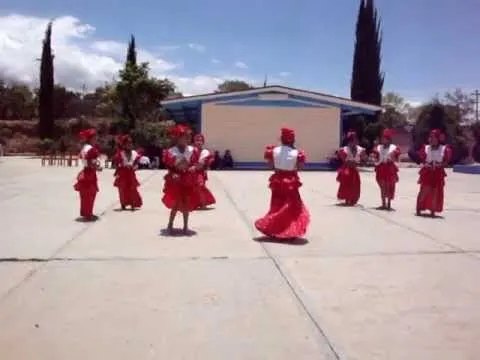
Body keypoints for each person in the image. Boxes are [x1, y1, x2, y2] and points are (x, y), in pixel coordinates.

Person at [254, 127, 310, 239]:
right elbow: (299, 167)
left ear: (281, 138)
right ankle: (288, 230)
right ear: (293, 139)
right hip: (291, 180)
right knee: (292, 206)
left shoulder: (273, 151)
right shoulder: (297, 153)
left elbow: (270, 166)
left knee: (276, 205)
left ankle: (274, 229)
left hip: (277, 179)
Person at [162, 124, 201, 234]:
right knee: (175, 203)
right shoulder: (171, 151)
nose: (185, 139)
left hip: (188, 180)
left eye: (186, 137)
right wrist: (173, 173)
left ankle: (185, 226)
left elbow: (196, 164)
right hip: (176, 180)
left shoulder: (192, 150)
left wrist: (194, 167)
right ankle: (170, 224)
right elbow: (169, 167)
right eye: (182, 137)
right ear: (177, 138)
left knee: (186, 204)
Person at [416, 129, 452, 217]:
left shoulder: (444, 149)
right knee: (424, 190)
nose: (432, 139)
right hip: (427, 172)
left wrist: (440, 164)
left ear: (438, 138)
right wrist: (426, 164)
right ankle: (419, 208)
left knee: (435, 191)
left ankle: (433, 210)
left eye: (434, 137)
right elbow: (422, 159)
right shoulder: (426, 148)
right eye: (430, 137)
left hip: (438, 172)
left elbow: (446, 161)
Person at [73, 128, 102, 221]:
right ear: (90, 138)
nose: (96, 139)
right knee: (90, 193)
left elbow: (84, 159)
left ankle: (86, 212)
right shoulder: (92, 149)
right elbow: (91, 162)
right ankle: (88, 213)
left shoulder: (84, 148)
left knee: (85, 194)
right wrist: (97, 167)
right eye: (95, 137)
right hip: (90, 173)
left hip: (85, 171)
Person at [371, 128, 401, 210]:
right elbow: (375, 157)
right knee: (382, 186)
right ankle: (383, 203)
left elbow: (396, 159)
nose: (383, 140)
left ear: (389, 139)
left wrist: (392, 158)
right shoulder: (379, 147)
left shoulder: (393, 147)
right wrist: (374, 158)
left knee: (389, 185)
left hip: (390, 168)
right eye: (382, 138)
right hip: (381, 168)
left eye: (384, 138)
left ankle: (388, 203)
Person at [113, 134, 143, 211]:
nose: (130, 145)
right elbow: (116, 164)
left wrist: (136, 167)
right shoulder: (120, 153)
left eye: (131, 143)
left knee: (132, 189)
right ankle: (123, 204)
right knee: (122, 190)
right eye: (128, 143)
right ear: (124, 145)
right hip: (123, 174)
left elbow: (137, 163)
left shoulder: (134, 153)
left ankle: (133, 204)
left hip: (131, 173)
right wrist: (120, 166)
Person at [336, 130, 366, 206]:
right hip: (347, 170)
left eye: (355, 140)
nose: (354, 142)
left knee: (355, 185)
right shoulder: (344, 150)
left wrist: (359, 162)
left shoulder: (360, 150)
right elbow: (345, 161)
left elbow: (364, 160)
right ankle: (347, 199)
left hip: (354, 170)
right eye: (352, 141)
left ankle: (353, 199)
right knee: (347, 184)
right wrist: (353, 163)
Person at [193, 133, 216, 209]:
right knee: (193, 189)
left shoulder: (205, 152)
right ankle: (195, 204)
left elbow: (208, 161)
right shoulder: (190, 151)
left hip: (200, 173)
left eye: (200, 140)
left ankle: (203, 204)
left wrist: (205, 165)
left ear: (203, 142)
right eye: (197, 140)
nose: (199, 142)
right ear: (194, 141)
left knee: (201, 186)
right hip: (191, 173)